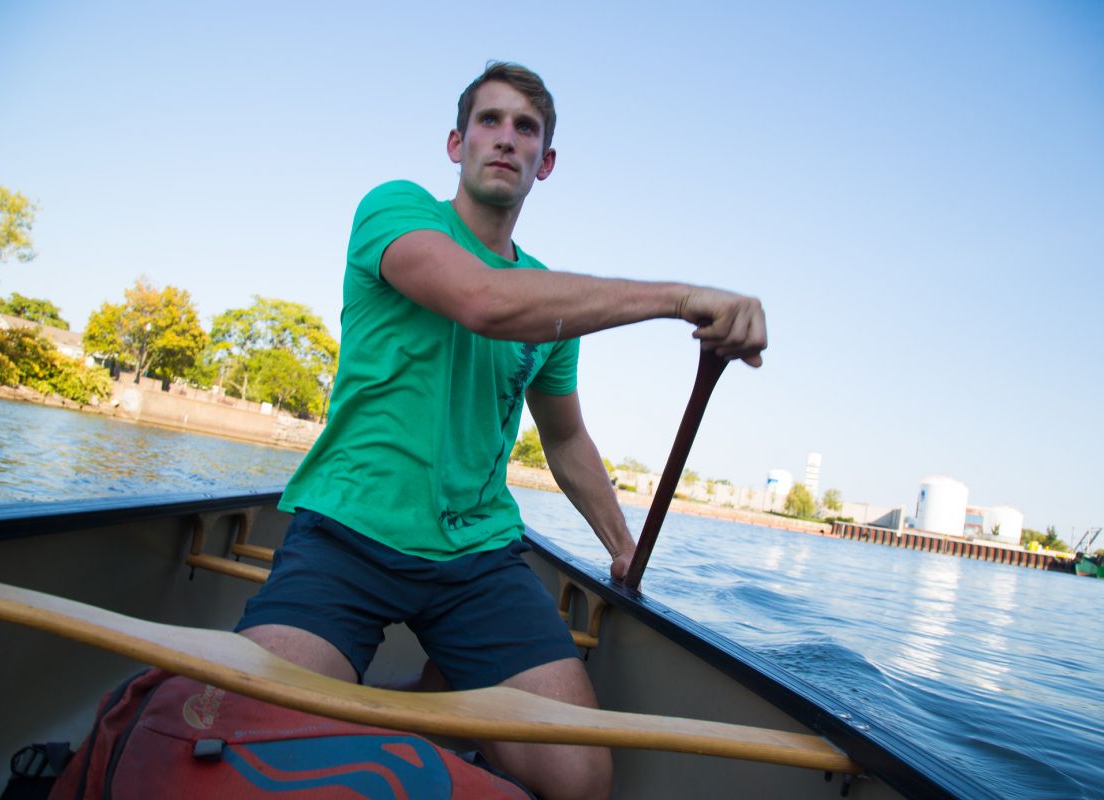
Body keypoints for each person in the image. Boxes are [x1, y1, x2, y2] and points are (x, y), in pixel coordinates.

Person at [235, 61, 767, 800]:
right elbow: (481, 299)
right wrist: (680, 298)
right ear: (457, 143)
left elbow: (566, 438)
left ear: (545, 163)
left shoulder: (550, 300)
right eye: (490, 121)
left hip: (478, 558)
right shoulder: (395, 210)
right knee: (245, 731)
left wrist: (622, 546)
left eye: (526, 129)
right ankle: (423, 713)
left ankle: (421, 711)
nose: (505, 138)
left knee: (580, 780)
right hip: (349, 528)